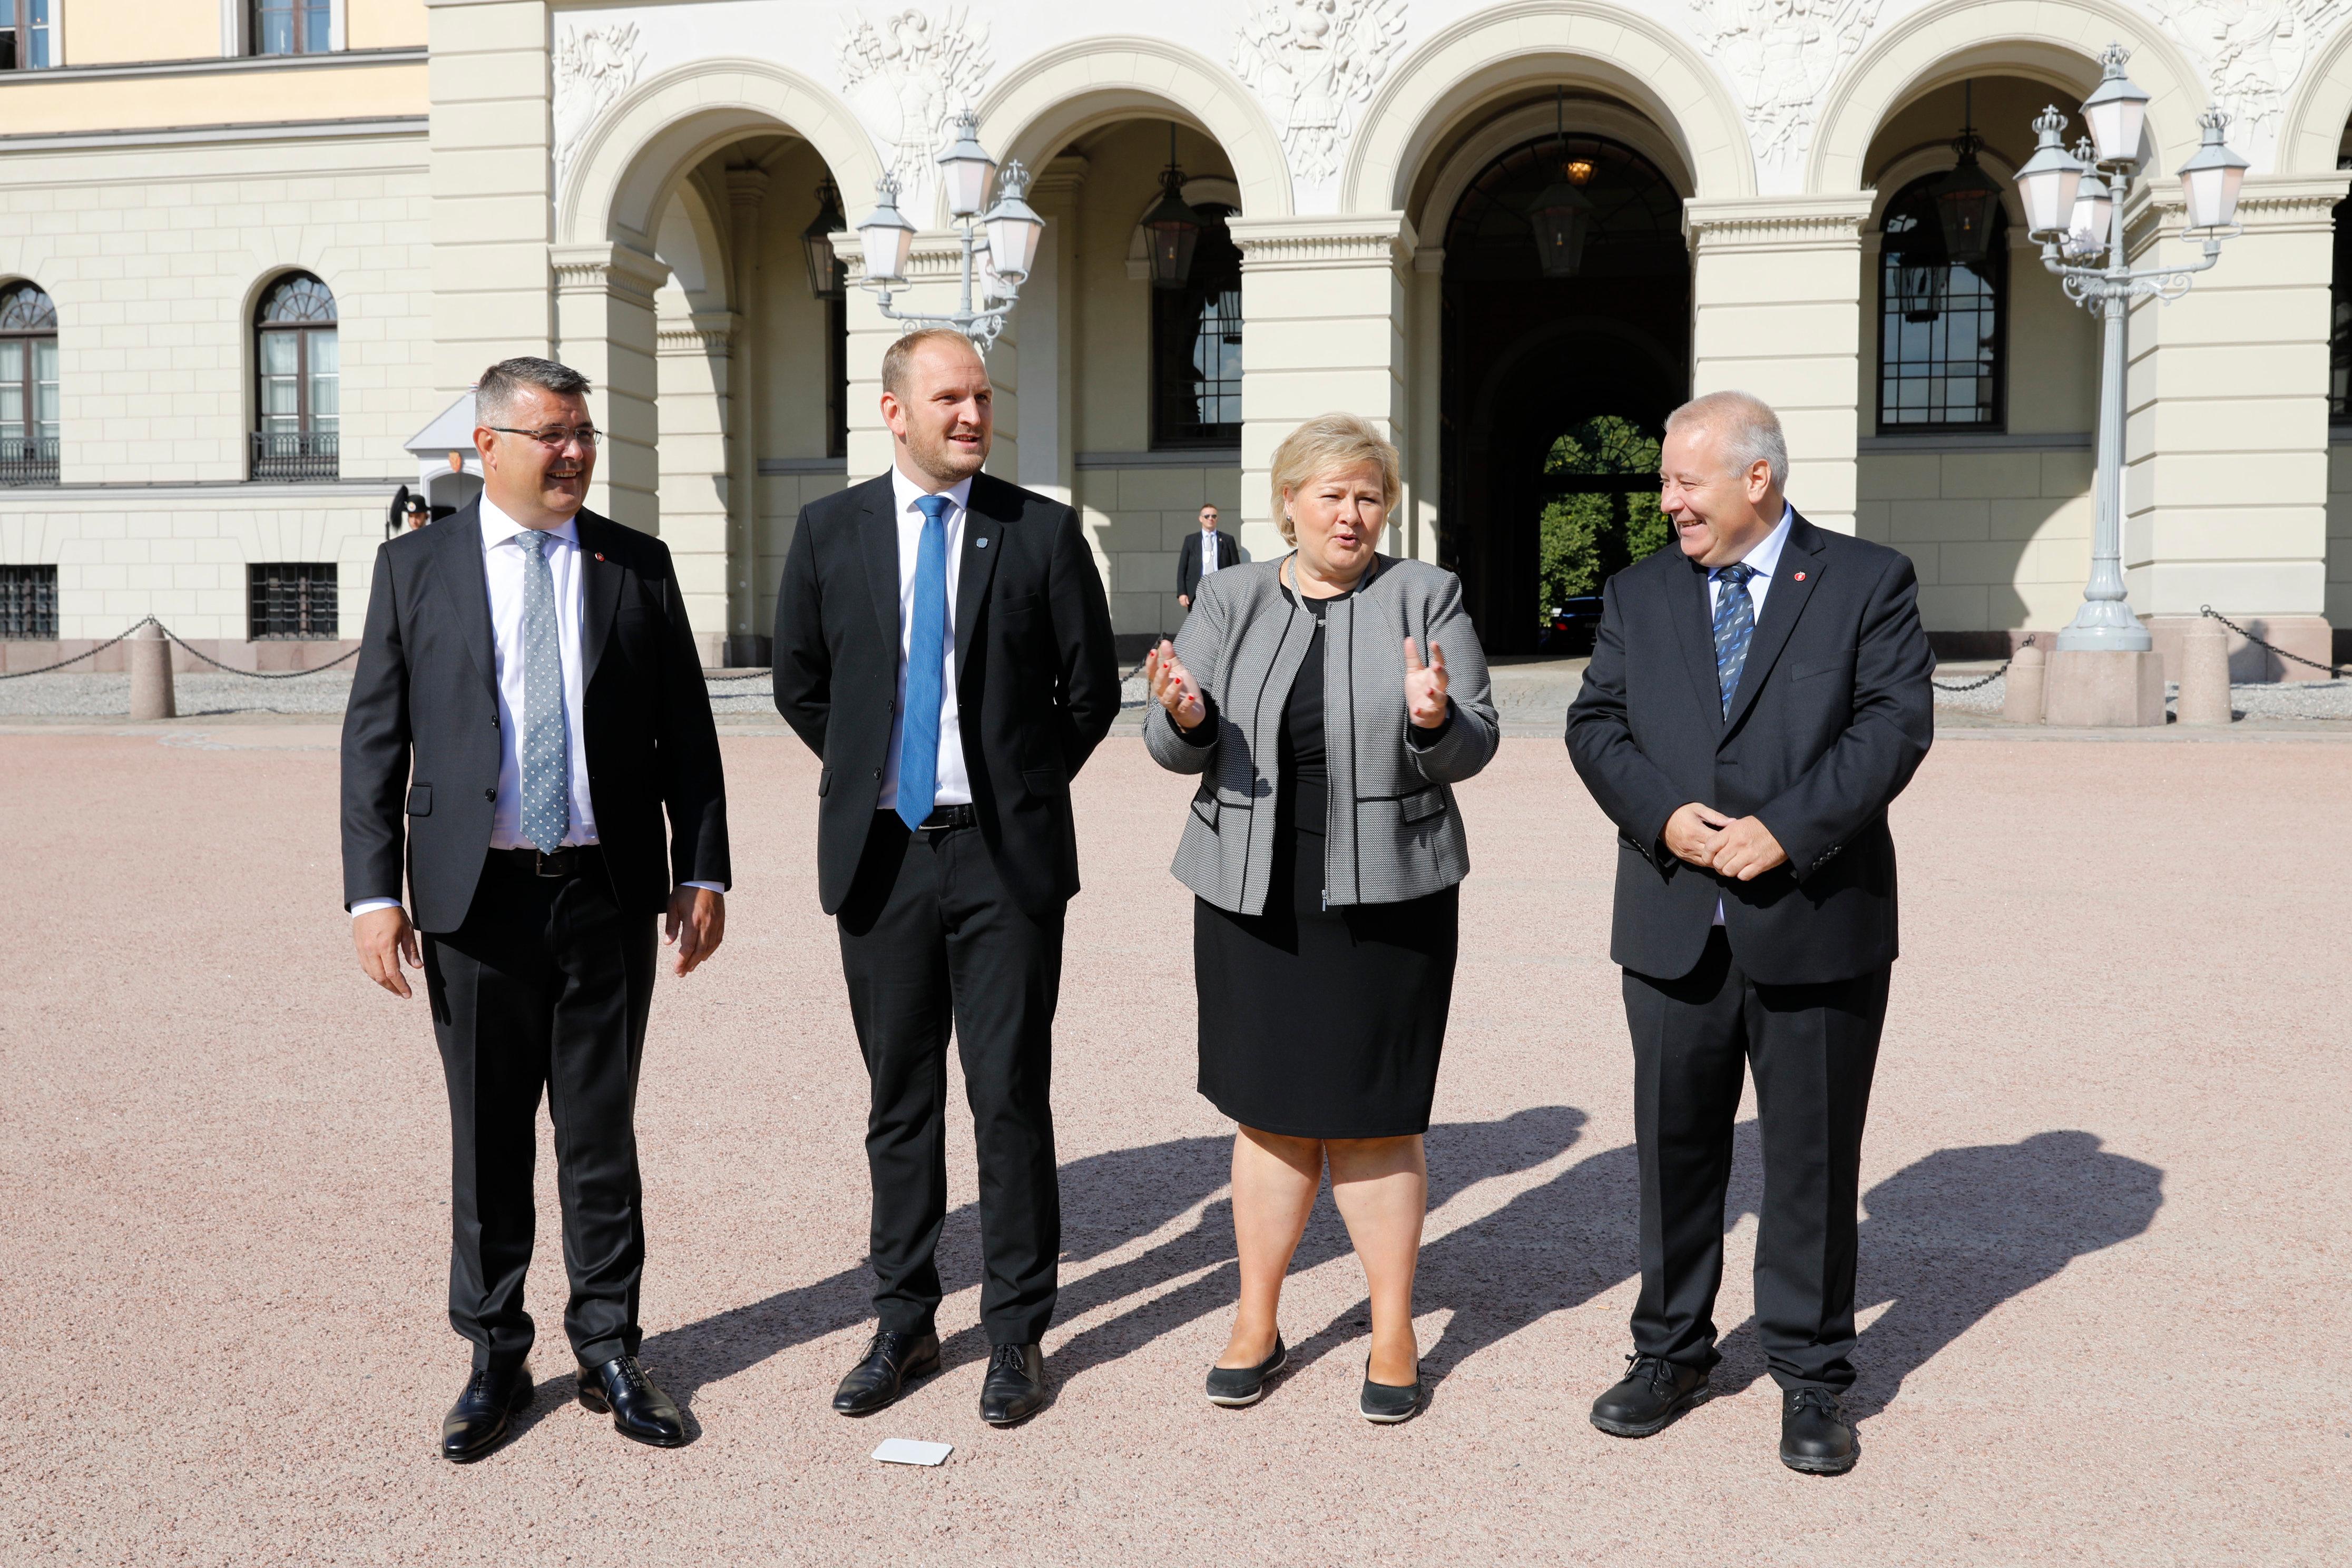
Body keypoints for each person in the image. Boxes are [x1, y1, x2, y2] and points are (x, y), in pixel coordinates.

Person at [341, 356, 731, 1462]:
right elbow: (373, 740)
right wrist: (375, 896)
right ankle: (495, 1356)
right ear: (490, 445)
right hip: (475, 903)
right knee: (489, 1140)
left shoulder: (633, 565)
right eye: (553, 433)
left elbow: (686, 739)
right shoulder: (416, 568)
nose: (575, 453)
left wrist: (701, 872)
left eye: (583, 433)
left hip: (607, 896)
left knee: (601, 1137)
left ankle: (611, 1344)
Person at [1563, 390, 1933, 1475]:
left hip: (1818, 919)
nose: (1667, 501)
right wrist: (1662, 817)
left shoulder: (1870, 580)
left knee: (1813, 1163)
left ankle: (1813, 1377)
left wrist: (1786, 831)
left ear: (1756, 479)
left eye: (1685, 481)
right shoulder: (1639, 593)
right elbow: (1595, 723)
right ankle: (1670, 1351)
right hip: (1674, 923)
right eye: (1668, 483)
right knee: (1674, 1152)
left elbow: (1893, 725)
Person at [772, 327, 1119, 1427]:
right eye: (949, 400)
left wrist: (1017, 785)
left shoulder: (1042, 532)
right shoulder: (830, 532)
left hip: (1003, 859)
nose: (972, 416)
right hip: (883, 855)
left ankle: (1016, 1334)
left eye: (981, 397)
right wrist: (881, 769)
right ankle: (905, 1321)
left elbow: (1089, 693)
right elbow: (801, 683)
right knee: (899, 1103)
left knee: (1009, 1099)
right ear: (893, 412)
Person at [1142, 412, 1498, 1424]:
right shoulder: (1230, 594)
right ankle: (1256, 1317)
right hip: (1252, 890)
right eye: (1331, 494)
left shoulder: (1423, 593)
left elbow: (1474, 735)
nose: (1351, 514)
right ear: (1287, 502)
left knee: (1377, 1118)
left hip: (1388, 891)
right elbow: (1173, 742)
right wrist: (1184, 716)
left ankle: (1392, 1327)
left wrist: (1432, 718)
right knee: (1269, 1113)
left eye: (1368, 496)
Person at [1175, 502, 1238, 613]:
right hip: (1197, 591)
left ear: (1217, 518)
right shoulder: (1191, 540)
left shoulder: (1228, 540)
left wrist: (1236, 592)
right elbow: (1182, 569)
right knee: (1198, 626)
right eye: (1207, 516)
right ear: (1201, 519)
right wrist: (1182, 593)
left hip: (1221, 591)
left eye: (1214, 516)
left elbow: (1236, 568)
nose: (1211, 519)